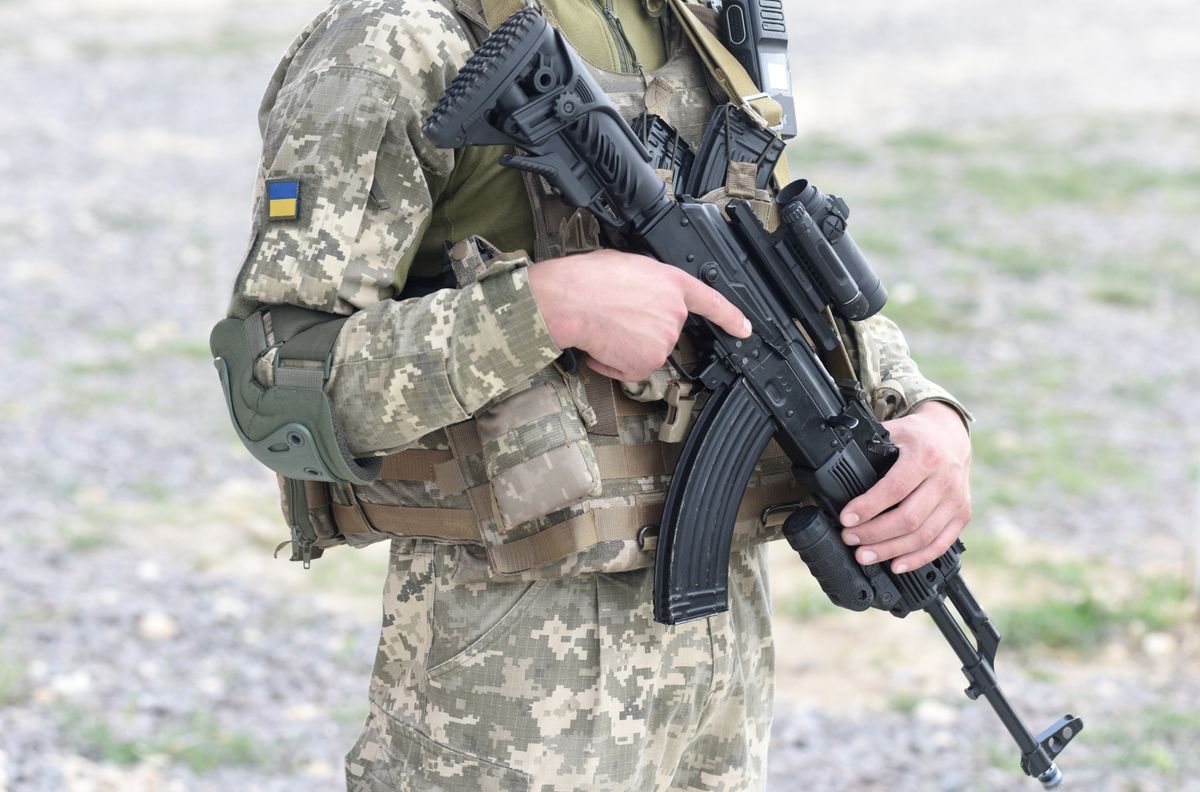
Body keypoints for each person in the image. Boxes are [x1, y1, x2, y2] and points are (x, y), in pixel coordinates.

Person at [221, 0, 973, 789]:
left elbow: (776, 280)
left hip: (720, 669)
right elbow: (276, 379)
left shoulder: (701, 26)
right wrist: (542, 311)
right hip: (512, 692)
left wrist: (924, 411)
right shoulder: (399, 37)